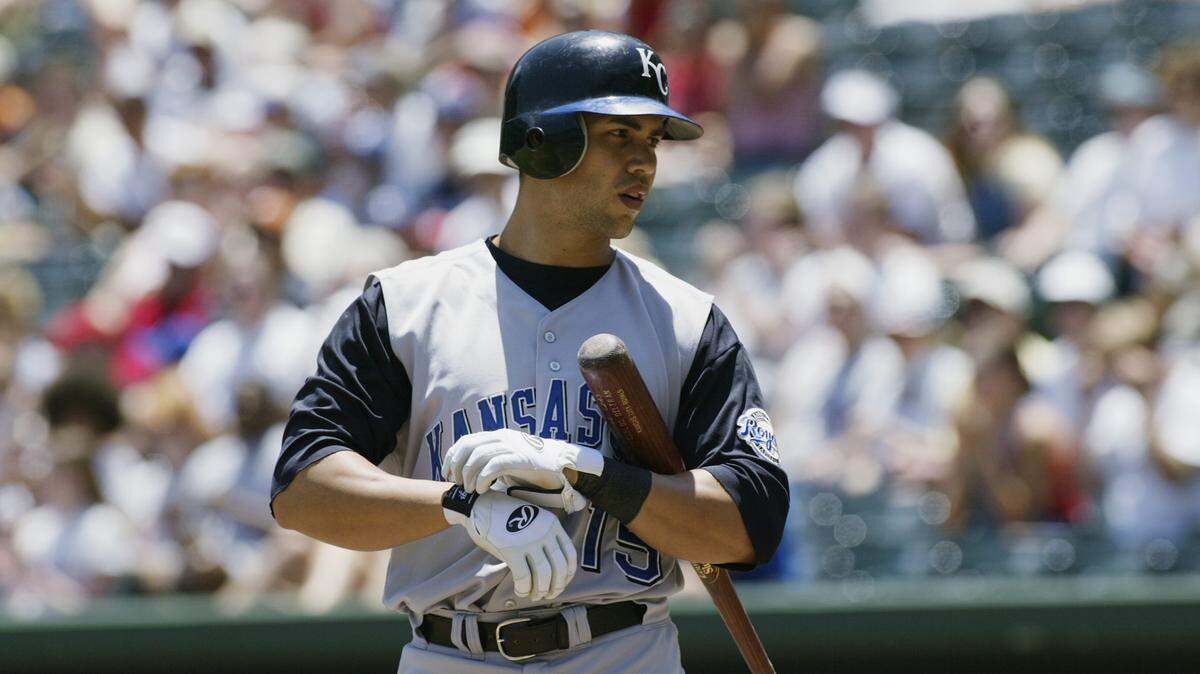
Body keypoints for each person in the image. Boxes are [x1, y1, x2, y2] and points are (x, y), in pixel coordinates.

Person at [269, 30, 788, 673]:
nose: (645, 163)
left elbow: (747, 524)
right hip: (449, 651)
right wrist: (461, 505)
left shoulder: (687, 320)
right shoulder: (406, 305)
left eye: (652, 139)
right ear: (543, 143)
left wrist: (590, 473)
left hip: (623, 651)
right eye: (619, 135)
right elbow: (303, 489)